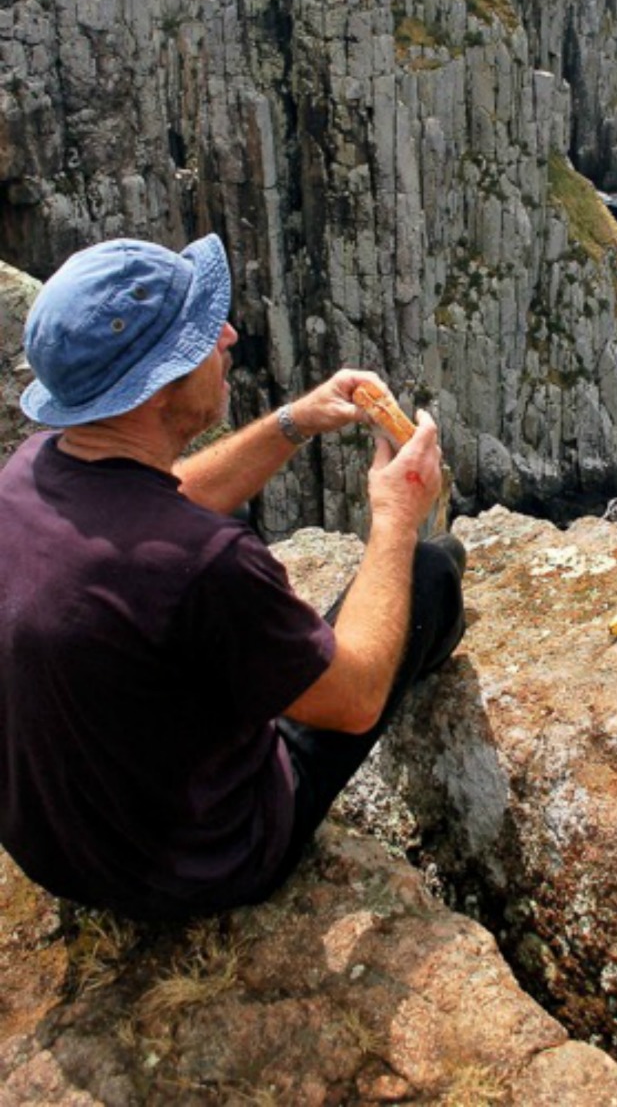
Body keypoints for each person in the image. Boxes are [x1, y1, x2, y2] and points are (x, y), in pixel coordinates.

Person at [0, 233, 465, 921]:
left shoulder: (25, 476)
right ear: (155, 392)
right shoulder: (207, 564)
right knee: (430, 572)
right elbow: (357, 697)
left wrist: (292, 422)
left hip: (59, 852)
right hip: (203, 863)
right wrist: (396, 516)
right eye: (197, 338)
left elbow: (164, 496)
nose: (227, 335)